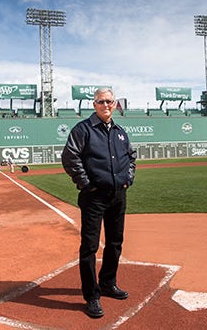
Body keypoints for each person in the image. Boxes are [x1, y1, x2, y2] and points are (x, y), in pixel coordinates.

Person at [62, 87, 137, 318]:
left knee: (115, 242)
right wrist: (87, 184)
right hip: (94, 196)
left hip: (118, 195)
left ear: (115, 104)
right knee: (90, 247)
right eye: (102, 101)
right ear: (94, 104)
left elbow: (131, 157)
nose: (106, 105)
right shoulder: (83, 129)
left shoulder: (120, 132)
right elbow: (69, 157)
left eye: (110, 101)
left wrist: (128, 179)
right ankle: (92, 295)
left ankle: (107, 283)